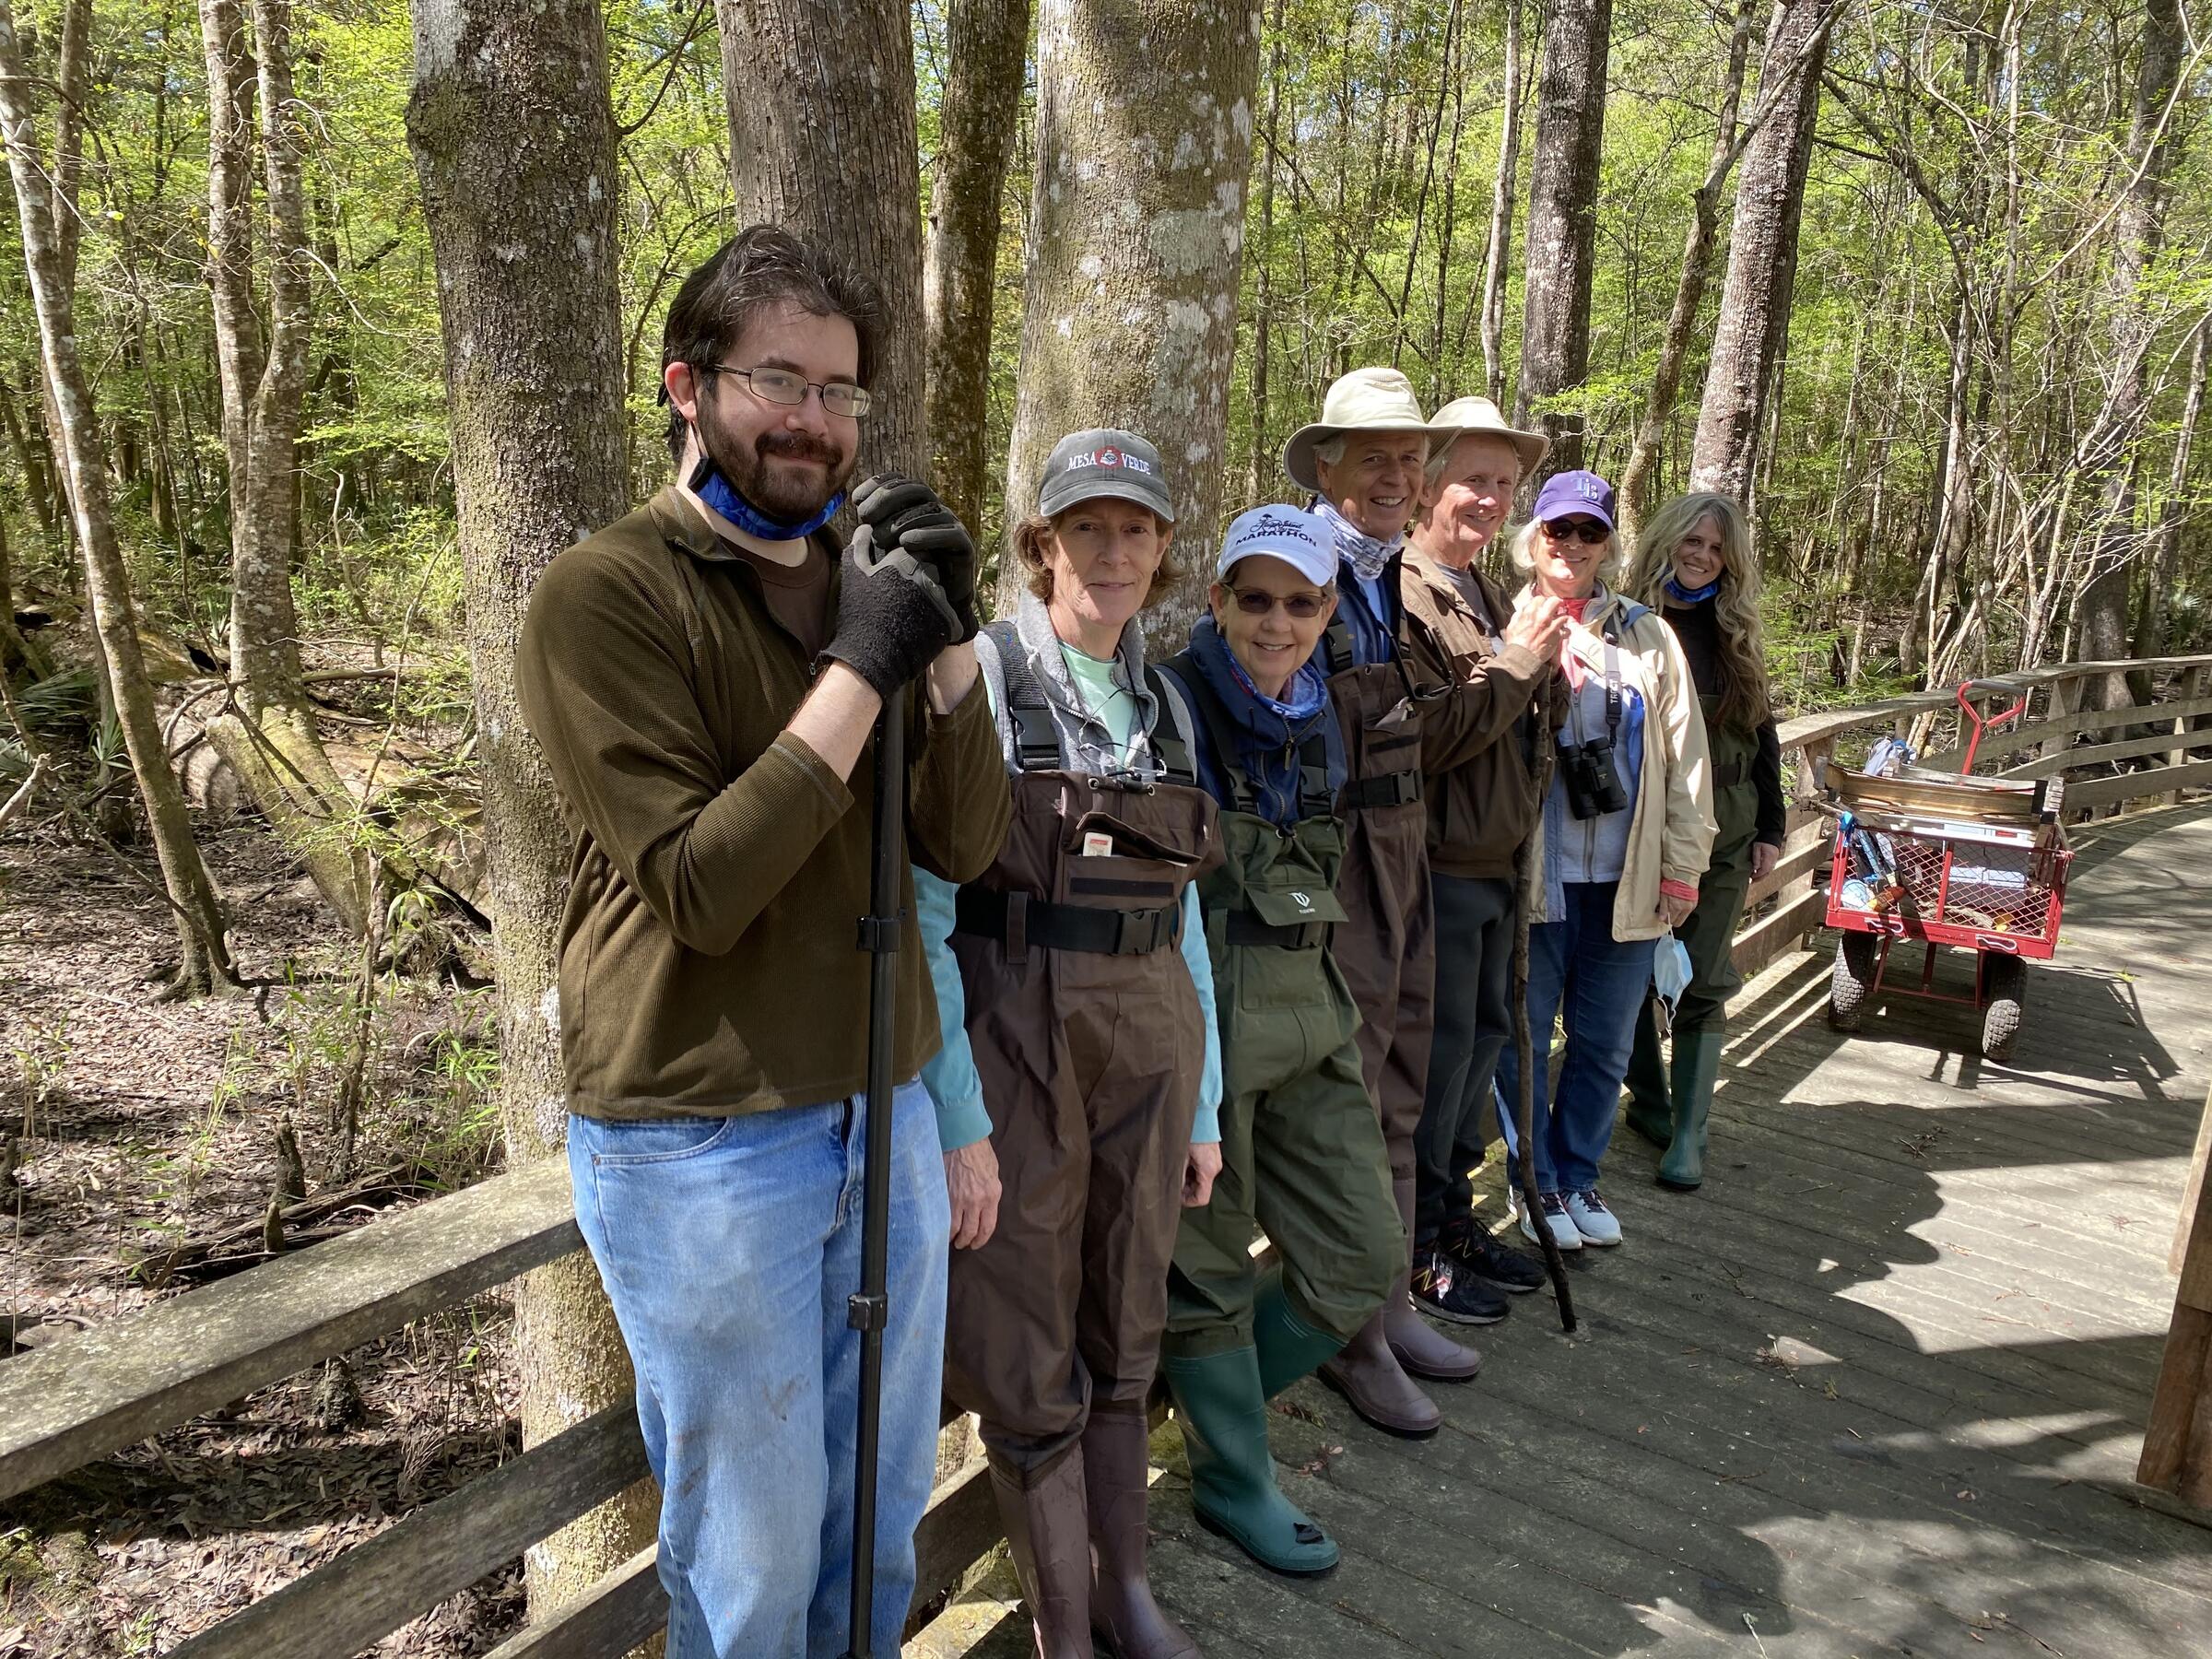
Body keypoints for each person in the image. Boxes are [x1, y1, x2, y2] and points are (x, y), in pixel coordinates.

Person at [515, 226, 1011, 1658]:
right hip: (705, 1134)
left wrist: (952, 634)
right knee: (752, 1544)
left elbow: (969, 844)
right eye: (775, 381)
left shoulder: (869, 578)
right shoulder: (608, 594)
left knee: (879, 1514)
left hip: (888, 1096)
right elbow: (698, 885)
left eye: (842, 392)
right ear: (688, 386)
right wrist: (866, 659)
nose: (814, 421)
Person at [916, 429, 1221, 1659]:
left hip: (1150, 1051)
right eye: (1083, 528)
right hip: (1016, 1044)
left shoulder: (1169, 704)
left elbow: (1185, 910)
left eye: (1134, 529)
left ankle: (1125, 1593)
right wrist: (955, 1122)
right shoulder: (982, 680)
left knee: (1126, 1321)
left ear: (1159, 551)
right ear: (1042, 546)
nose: (1111, 551)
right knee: (1026, 1344)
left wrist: (1200, 1107)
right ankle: (1063, 1634)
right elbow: (929, 912)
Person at [1155, 507, 1403, 1578]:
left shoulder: (1324, 711)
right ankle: (1233, 1476)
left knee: (1362, 1255)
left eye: (1300, 602)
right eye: (1253, 598)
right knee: (1206, 1269)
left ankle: (1199, 1403)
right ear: (1218, 601)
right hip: (1206, 1012)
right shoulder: (1175, 702)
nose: (1276, 621)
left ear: (1328, 609)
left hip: (1313, 999)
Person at [1279, 367, 1474, 1438]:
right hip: (1341, 854)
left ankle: (1391, 1304)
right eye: (1374, 457)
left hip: (1409, 848)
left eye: (1410, 458)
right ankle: (1350, 1338)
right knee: (1347, 1096)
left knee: (1403, 1076)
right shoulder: (1298, 568)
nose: (1398, 475)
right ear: (1326, 467)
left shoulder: (1394, 575)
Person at [1491, 470, 1715, 1253]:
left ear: (1610, 545)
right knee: (1522, 1041)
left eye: (1590, 533)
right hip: (1536, 883)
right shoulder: (1502, 622)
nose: (1574, 546)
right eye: (1560, 531)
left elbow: (1687, 761)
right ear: (1535, 539)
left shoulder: (1646, 635)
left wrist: (1683, 868)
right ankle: (1535, 1180)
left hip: (1627, 881)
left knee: (1606, 1043)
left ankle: (1579, 1173)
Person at [1396, 397, 1564, 1326]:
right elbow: (1427, 739)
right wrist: (1515, 666)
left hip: (1502, 865)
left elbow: (1513, 723)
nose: (1492, 501)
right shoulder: (1410, 590)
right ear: (1426, 484)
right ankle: (1420, 1248)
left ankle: (1455, 1219)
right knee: (1441, 1062)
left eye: (1506, 484)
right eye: (1474, 480)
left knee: (1483, 1053)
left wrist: (1548, 672)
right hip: (1441, 870)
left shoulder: (1488, 591)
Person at [1621, 492, 1783, 1190]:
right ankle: (1651, 1105)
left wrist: (1773, 826)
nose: (1701, 557)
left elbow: (1763, 733)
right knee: (1624, 979)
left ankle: (1689, 1133)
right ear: (1667, 541)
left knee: (1705, 981)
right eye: (1692, 542)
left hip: (1730, 827)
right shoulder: (1628, 623)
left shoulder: (1734, 629)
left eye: (1716, 548)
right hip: (1640, 830)